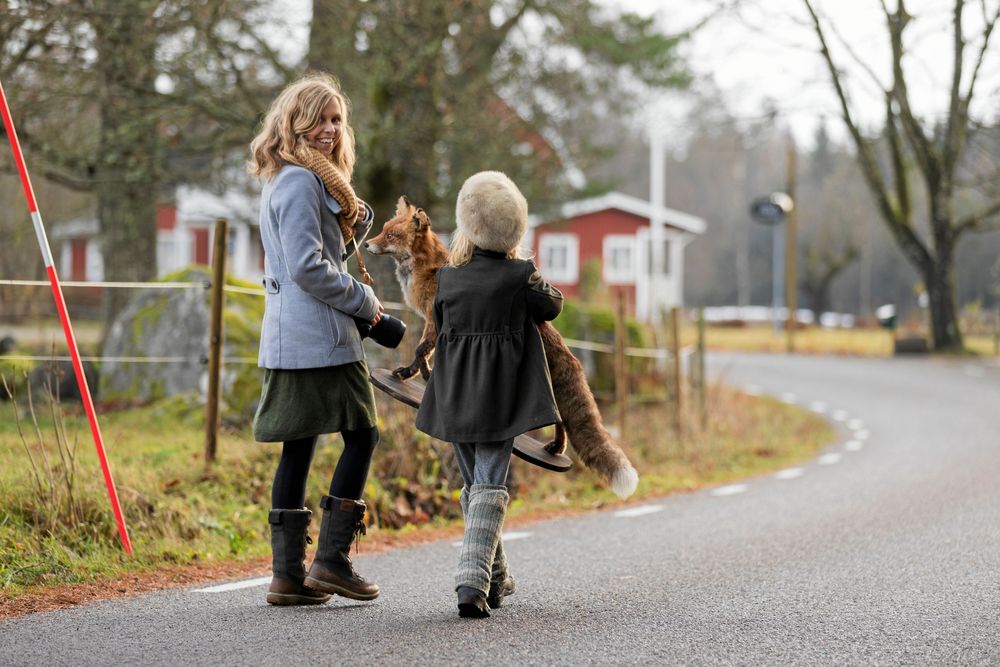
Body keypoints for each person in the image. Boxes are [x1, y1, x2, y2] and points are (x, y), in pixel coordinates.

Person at [247, 73, 384, 606]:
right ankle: (329, 562)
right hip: (321, 338)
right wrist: (368, 305)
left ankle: (287, 576)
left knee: (298, 446)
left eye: (336, 120)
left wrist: (354, 223)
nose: (329, 130)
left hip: (287, 338)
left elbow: (313, 259)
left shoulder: (285, 178)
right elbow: (309, 268)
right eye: (319, 119)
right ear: (295, 121)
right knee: (363, 436)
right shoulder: (305, 183)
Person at [414, 171, 564, 618]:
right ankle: (471, 582)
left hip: (453, 395)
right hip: (499, 400)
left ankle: (496, 579)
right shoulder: (520, 275)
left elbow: (439, 321)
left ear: (467, 224)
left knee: (476, 487)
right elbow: (553, 304)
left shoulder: (449, 278)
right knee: (490, 485)